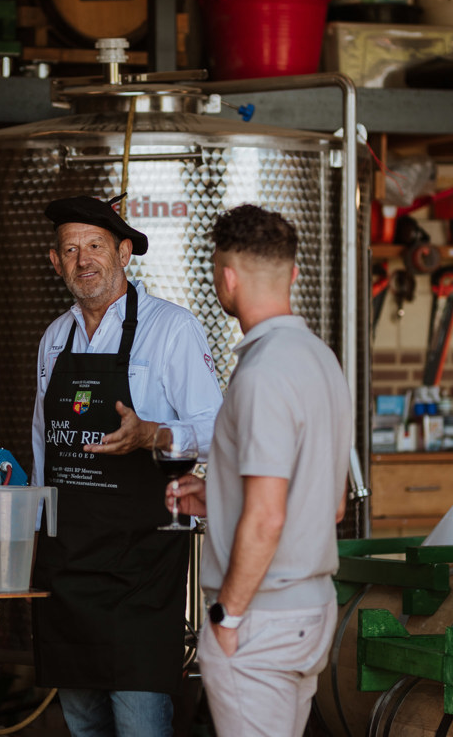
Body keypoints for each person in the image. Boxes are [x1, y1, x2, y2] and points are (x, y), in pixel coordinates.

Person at [30, 194, 223, 737]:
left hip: (141, 567)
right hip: (68, 566)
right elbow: (44, 442)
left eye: (95, 246)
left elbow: (220, 432)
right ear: (55, 261)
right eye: (70, 249)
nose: (82, 260)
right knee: (83, 725)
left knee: (139, 726)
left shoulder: (172, 329)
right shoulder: (54, 339)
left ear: (123, 253)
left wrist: (153, 435)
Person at [167, 203, 351, 737]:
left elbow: (268, 518)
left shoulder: (262, 373)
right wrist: (218, 494)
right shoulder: (321, 359)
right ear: (293, 274)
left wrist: (227, 617)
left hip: (259, 619)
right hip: (312, 611)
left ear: (226, 280)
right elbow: (330, 501)